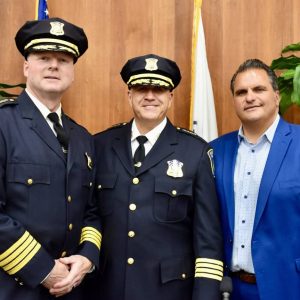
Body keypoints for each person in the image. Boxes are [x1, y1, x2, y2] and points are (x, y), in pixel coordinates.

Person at [92, 54, 223, 300]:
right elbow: (89, 215)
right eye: (142, 87)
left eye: (159, 88)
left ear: (170, 97)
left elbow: (208, 240)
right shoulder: (101, 145)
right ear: (129, 94)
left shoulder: (195, 152)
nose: (150, 96)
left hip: (169, 291)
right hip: (107, 289)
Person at [0, 18, 101, 299]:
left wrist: (87, 258)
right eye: (44, 57)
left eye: (64, 59)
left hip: (73, 288)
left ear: (73, 71)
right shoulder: (3, 123)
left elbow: (91, 210)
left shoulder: (82, 137)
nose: (54, 65)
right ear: (26, 66)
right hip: (14, 288)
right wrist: (43, 269)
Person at [210, 58, 300, 299]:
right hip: (229, 289)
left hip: (288, 286)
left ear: (277, 96)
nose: (249, 97)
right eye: (241, 92)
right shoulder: (214, 151)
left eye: (258, 89)